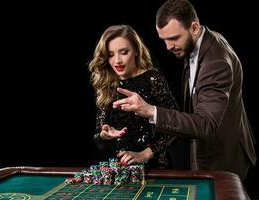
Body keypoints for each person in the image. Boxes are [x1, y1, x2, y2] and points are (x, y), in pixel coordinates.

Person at [112, 0, 256, 180]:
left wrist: (150, 110)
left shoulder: (216, 62)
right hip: (206, 148)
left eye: (173, 38)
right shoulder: (199, 42)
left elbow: (206, 124)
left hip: (223, 157)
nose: (168, 47)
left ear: (194, 27)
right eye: (164, 40)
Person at [88, 24, 181, 169]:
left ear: (136, 51)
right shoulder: (107, 82)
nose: (117, 60)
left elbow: (176, 126)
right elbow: (98, 136)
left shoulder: (153, 79)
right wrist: (103, 134)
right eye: (111, 54)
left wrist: (145, 153)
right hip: (116, 168)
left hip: (152, 168)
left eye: (124, 52)